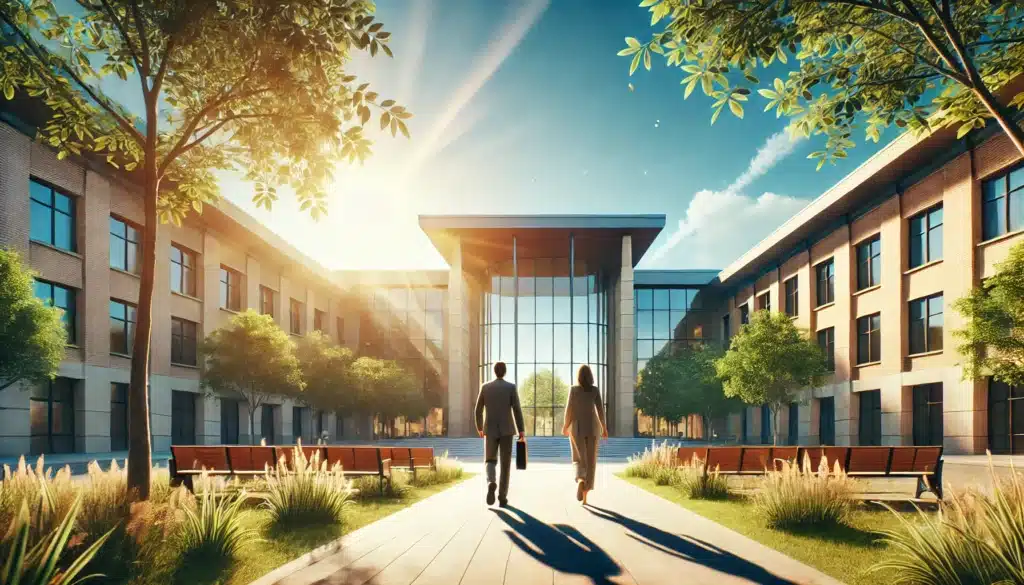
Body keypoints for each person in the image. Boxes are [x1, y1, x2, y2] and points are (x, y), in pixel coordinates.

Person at [475, 361, 526, 507]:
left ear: (494, 371)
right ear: (504, 372)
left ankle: (491, 482)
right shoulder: (511, 387)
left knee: (490, 460)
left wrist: (479, 427)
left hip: (489, 429)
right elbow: (517, 409)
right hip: (507, 430)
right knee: (505, 464)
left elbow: (478, 410)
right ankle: (502, 497)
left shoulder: (485, 387)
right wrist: (521, 429)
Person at [561, 364, 607, 505]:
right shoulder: (595, 390)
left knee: (578, 458)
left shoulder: (573, 390)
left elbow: (569, 409)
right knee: (591, 461)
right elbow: (600, 411)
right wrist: (604, 428)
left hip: (577, 428)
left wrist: (565, 426)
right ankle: (585, 498)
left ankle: (580, 478)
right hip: (592, 428)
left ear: (579, 376)